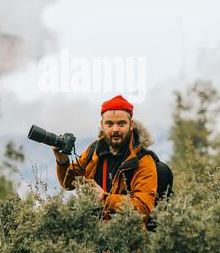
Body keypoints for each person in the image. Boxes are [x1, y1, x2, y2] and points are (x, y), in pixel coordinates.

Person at [53, 95, 157, 223]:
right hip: (94, 235)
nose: (115, 129)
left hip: (129, 238)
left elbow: (144, 208)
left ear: (131, 125)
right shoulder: (94, 150)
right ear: (102, 125)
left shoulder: (143, 160)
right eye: (109, 123)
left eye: (121, 123)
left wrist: (104, 198)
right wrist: (62, 160)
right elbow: (68, 184)